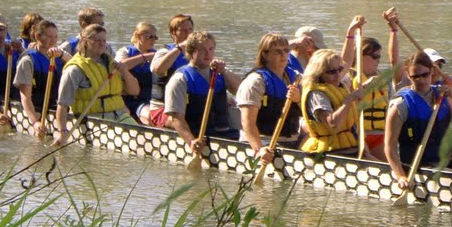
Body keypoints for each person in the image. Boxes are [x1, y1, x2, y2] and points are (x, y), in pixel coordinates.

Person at [384, 52, 452, 190]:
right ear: (408, 75)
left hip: (444, 160)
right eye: (415, 77)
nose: (421, 81)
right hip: (417, 164)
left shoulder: (443, 96)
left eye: (424, 75)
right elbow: (390, 146)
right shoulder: (400, 105)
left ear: (432, 72)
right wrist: (400, 176)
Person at [51, 23, 139, 144]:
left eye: (104, 40)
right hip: (92, 120)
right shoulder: (74, 70)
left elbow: (135, 91)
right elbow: (63, 104)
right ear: (85, 41)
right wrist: (62, 133)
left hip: (119, 115)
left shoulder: (112, 64)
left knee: (138, 136)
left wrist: (125, 72)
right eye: (97, 40)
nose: (102, 43)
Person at [158, 31, 242, 150]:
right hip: (199, 136)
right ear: (191, 52)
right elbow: (176, 117)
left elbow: (241, 90)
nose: (208, 54)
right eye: (202, 50)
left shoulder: (219, 72)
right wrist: (191, 141)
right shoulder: (180, 79)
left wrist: (224, 72)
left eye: (211, 49)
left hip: (225, 134)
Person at [341, 11, 401, 159]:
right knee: (369, 159)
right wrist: (351, 32)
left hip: (380, 134)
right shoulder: (348, 76)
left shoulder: (383, 79)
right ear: (359, 56)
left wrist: (393, 31)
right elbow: (344, 62)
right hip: (358, 132)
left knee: (391, 164)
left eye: (379, 56)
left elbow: (395, 60)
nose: (378, 60)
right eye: (374, 56)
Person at [236, 32, 302, 167]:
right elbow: (247, 122)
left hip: (290, 139)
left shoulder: (295, 78)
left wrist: (298, 100)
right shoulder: (255, 82)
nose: (283, 55)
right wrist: (259, 149)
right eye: (277, 52)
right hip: (264, 142)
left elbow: (305, 112)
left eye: (286, 51)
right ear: (265, 55)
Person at [298, 48, 371, 154]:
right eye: (331, 71)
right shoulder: (317, 95)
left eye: (340, 69)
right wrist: (350, 99)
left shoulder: (340, 87)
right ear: (319, 73)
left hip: (350, 145)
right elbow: (333, 124)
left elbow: (351, 121)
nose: (337, 75)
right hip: (329, 151)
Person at [15, 18, 65, 139]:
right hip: (36, 109)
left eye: (55, 37)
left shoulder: (59, 57)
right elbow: (25, 96)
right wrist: (34, 122)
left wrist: (63, 56)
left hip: (55, 108)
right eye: (49, 37)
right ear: (37, 36)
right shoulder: (28, 60)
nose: (53, 41)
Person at [148, 14, 195, 106]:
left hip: (189, 103)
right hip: (163, 105)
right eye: (183, 30)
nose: (188, 34)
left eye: (190, 30)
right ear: (173, 33)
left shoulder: (197, 54)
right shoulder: (164, 52)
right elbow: (158, 70)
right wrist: (180, 48)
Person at [117, 21, 160, 119]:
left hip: (149, 99)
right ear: (138, 36)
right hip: (128, 98)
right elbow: (120, 66)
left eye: (155, 37)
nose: (153, 40)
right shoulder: (125, 52)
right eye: (149, 37)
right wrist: (144, 57)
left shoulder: (156, 55)